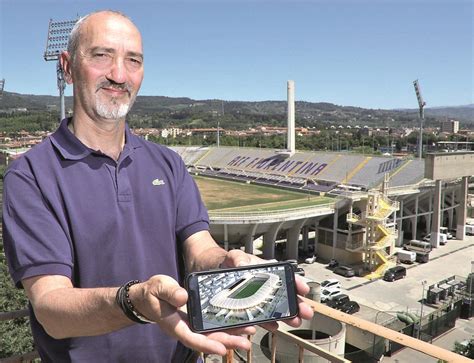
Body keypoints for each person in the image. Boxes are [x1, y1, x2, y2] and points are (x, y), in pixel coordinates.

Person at [2, 10, 313, 363]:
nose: (119, 75)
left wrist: (226, 264)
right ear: (68, 67)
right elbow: (51, 310)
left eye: (132, 60)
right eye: (102, 55)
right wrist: (134, 302)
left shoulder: (168, 163)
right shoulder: (30, 175)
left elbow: (200, 250)